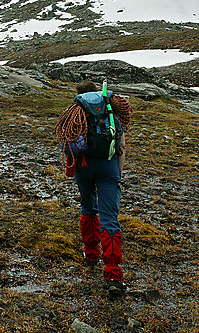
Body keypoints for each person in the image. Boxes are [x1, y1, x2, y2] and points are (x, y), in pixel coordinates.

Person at [69, 80, 131, 293]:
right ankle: (113, 274)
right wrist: (118, 172)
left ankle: (91, 253)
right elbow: (121, 145)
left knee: (88, 207)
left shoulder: (76, 111)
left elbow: (69, 145)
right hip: (108, 167)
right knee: (109, 217)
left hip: (84, 167)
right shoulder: (110, 110)